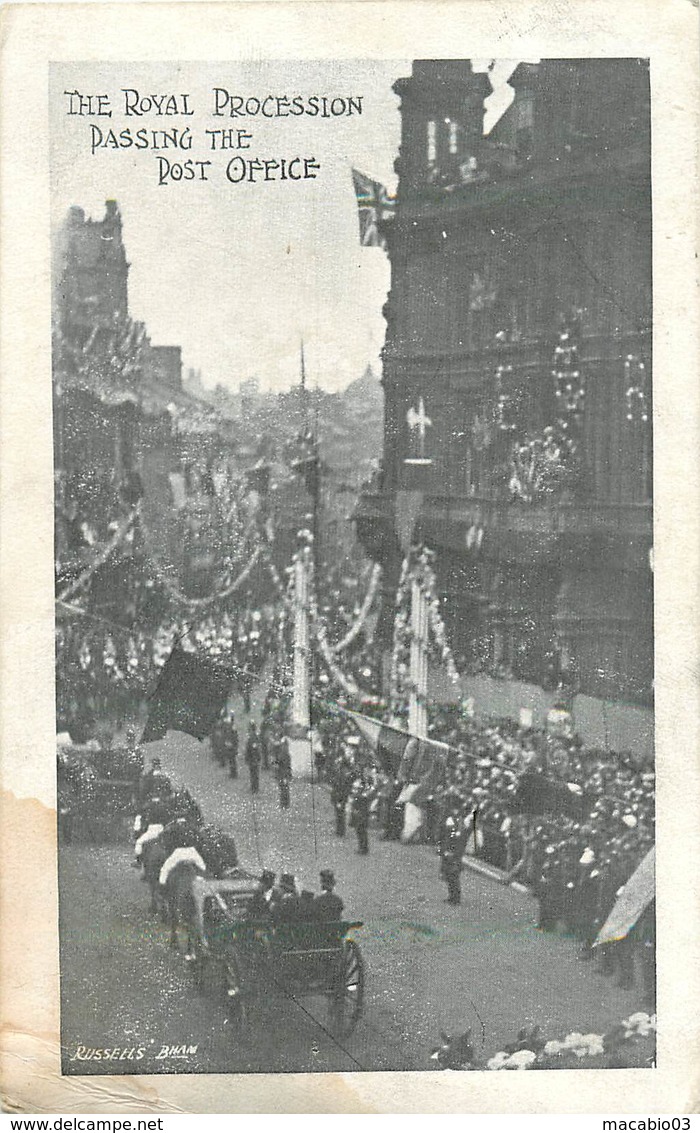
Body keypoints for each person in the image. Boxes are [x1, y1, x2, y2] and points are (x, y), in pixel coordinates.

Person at [439, 807, 468, 905]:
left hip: (454, 853)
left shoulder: (458, 823)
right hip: (450, 852)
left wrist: (451, 852)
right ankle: (452, 896)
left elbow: (456, 840)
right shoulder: (456, 821)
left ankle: (455, 898)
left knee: (453, 876)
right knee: (449, 876)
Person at [350, 780, 371, 855]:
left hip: (361, 816)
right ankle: (362, 847)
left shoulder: (363, 796)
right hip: (359, 815)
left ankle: (363, 848)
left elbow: (362, 805)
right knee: (359, 831)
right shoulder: (360, 794)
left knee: (361, 832)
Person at [245, 722, 262, 795]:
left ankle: (254, 788)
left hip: (253, 758)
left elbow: (252, 749)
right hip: (254, 758)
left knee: (253, 773)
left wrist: (248, 758)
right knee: (254, 773)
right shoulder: (255, 737)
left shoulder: (252, 738)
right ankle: (255, 787)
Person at [275, 735, 292, 809]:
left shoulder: (283, 754)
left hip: (283, 773)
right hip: (284, 772)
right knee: (284, 788)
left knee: (284, 789)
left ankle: (284, 804)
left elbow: (281, 763)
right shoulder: (286, 753)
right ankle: (285, 804)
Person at [221, 711, 239, 779]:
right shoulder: (231, 726)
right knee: (231, 760)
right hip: (231, 745)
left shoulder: (232, 727)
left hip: (232, 745)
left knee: (232, 760)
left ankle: (233, 773)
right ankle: (233, 772)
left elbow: (234, 737)